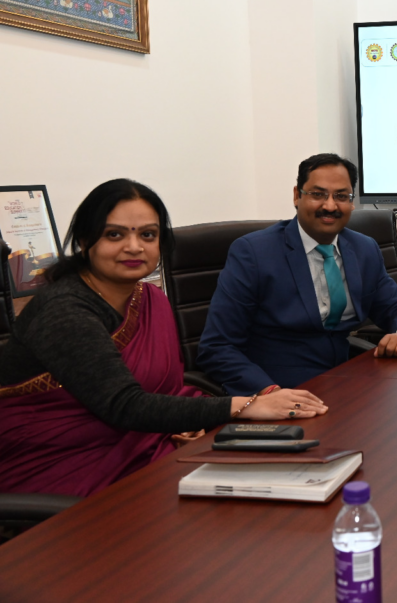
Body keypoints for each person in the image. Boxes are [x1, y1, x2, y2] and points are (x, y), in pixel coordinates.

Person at [0, 179, 328, 498]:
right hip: (59, 466)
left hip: (144, 442)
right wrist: (248, 405)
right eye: (114, 234)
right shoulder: (63, 311)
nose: (134, 247)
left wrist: (187, 421)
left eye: (147, 235)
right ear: (85, 242)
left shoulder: (148, 298)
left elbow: (165, 388)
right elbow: (124, 406)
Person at [198, 154, 397, 396]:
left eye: (341, 196)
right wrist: (269, 392)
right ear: (296, 196)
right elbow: (217, 346)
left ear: (352, 202)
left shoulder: (363, 248)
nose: (330, 206)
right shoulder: (254, 253)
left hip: (347, 379)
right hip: (282, 387)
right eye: (318, 194)